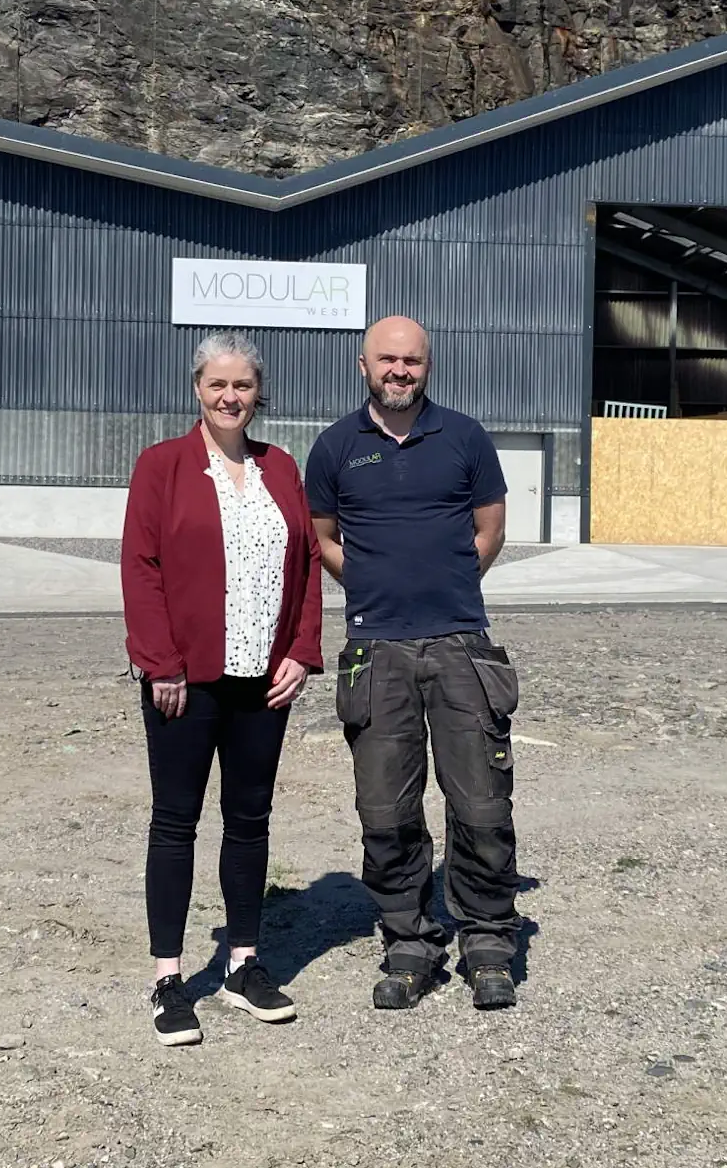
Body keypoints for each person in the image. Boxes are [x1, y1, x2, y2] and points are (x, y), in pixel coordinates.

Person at [303, 315, 523, 1012]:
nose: (400, 370)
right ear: (363, 365)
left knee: (481, 804)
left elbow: (490, 529)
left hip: (461, 645)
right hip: (376, 651)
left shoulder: (465, 437)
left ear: (428, 366)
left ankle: (488, 942)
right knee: (385, 809)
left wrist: (446, 586)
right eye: (387, 359)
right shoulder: (336, 447)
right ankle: (409, 942)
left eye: (413, 360)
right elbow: (323, 537)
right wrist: (374, 586)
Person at [121, 330, 325, 1046]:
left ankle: (242, 964)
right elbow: (141, 566)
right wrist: (160, 662)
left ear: (258, 393)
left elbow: (306, 563)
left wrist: (302, 651)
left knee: (249, 819)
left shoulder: (281, 467)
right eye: (218, 384)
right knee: (175, 821)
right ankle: (169, 979)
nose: (230, 396)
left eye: (242, 385)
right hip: (186, 680)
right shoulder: (162, 465)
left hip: (263, 680)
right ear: (197, 389)